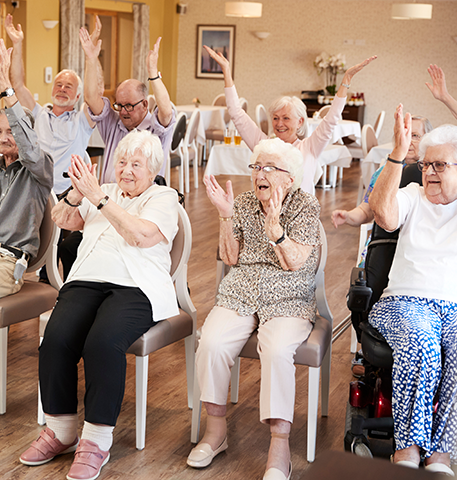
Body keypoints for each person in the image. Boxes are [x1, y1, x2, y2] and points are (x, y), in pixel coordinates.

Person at [19, 130, 179, 480]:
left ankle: (96, 440)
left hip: (137, 287)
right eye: (122, 162)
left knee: (103, 342)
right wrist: (78, 195)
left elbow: (140, 235)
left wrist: (100, 200)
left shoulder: (164, 197)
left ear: (152, 170)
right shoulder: (100, 190)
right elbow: (64, 220)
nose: (127, 170)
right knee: (56, 338)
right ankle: (61, 431)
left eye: (137, 164)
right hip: (87, 280)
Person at [187, 138, 320, 480]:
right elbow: (231, 258)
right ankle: (215, 432)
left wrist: (275, 229)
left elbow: (294, 262)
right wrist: (225, 215)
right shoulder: (244, 202)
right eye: (256, 167)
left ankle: (279, 446)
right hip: (242, 290)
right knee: (212, 343)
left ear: (289, 177)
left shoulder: (305, 206)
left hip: (288, 295)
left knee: (276, 350)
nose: (260, 174)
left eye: (269, 168)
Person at [368, 104, 457, 475]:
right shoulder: (413, 194)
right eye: (427, 164)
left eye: (441, 165)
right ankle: (409, 451)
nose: (429, 172)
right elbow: (382, 214)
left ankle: (442, 456)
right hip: (404, 301)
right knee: (422, 342)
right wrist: (398, 156)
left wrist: (449, 99)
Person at [204, 45, 376, 195]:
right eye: (276, 118)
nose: (279, 123)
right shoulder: (263, 145)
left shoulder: (310, 147)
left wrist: (345, 80)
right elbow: (236, 113)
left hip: (300, 221)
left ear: (300, 122)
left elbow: (331, 119)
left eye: (286, 118)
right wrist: (226, 70)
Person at [5, 14, 96, 195]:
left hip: (66, 193)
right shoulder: (38, 113)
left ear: (78, 96)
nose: (62, 89)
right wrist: (17, 44)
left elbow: (94, 95)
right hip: (34, 188)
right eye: (59, 85)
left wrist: (90, 57)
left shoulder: (82, 120)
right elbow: (18, 85)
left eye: (68, 86)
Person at [79, 27, 176, 183]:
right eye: (119, 105)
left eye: (129, 106)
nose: (123, 111)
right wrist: (91, 58)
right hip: (108, 199)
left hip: (143, 203)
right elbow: (91, 98)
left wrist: (153, 72)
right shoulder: (113, 124)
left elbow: (166, 112)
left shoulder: (157, 131)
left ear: (145, 104)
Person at [0, 39, 53, 298]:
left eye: (11, 132)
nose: (4, 138)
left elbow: (29, 148)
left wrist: (7, 90)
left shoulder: (39, 168)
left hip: (9, 262)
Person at [331, 116, 432, 229]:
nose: (407, 141)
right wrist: (348, 216)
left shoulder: (432, 174)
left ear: (427, 141)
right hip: (386, 240)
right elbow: (365, 211)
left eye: (414, 136)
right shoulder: (384, 171)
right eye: (404, 134)